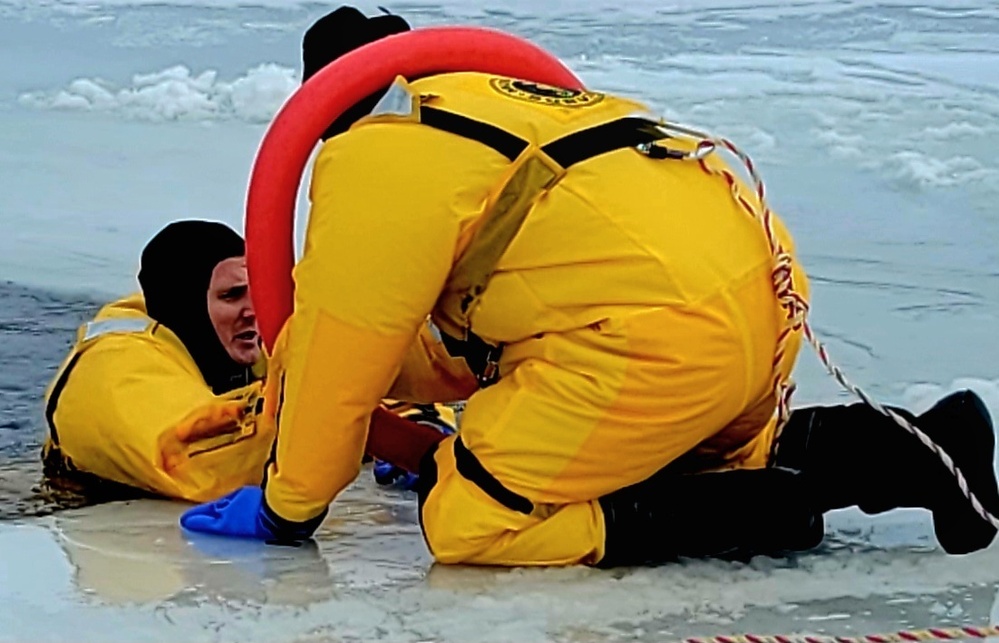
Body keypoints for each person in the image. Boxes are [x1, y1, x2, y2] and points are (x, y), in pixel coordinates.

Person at [180, 7, 999, 565]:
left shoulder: (378, 149)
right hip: (754, 298)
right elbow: (507, 305)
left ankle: (754, 515)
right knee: (706, 444)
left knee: (467, 517)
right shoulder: (528, 105)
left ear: (320, 99)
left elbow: (342, 342)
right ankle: (921, 442)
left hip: (645, 333)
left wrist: (290, 503)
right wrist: (401, 395)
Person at [42, 220, 274, 502]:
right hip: (82, 502)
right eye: (232, 296)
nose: (255, 310)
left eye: (257, 290)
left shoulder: (225, 342)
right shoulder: (120, 371)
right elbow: (201, 467)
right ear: (189, 307)